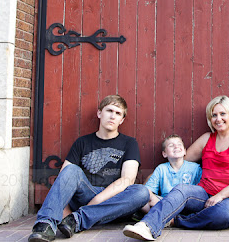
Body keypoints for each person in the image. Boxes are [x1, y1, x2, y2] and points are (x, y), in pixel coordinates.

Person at [123, 95, 229, 241]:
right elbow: (181, 161)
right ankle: (147, 226)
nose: (218, 119)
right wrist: (156, 175)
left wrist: (221, 195)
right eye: (214, 115)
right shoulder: (207, 139)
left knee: (228, 215)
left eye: (222, 114)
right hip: (202, 193)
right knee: (183, 189)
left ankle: (175, 220)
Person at [28, 94, 149, 242]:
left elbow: (127, 180)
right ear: (99, 113)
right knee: (71, 170)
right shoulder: (82, 142)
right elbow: (63, 179)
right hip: (85, 194)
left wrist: (93, 203)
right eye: (109, 110)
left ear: (122, 120)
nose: (112, 116)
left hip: (113, 200)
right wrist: (64, 213)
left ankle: (79, 219)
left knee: (141, 192)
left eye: (118, 113)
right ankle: (45, 224)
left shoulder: (129, 143)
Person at [140, 134, 202, 213]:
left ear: (184, 151)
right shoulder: (161, 169)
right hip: (165, 202)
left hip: (185, 203)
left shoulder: (195, 168)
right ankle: (167, 217)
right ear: (164, 153)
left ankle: (167, 217)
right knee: (144, 202)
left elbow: (201, 191)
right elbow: (148, 190)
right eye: (171, 145)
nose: (176, 147)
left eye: (179, 144)